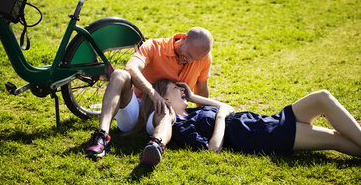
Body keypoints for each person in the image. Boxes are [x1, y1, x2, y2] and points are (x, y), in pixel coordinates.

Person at [85, 27, 214, 165]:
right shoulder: (154, 46)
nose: (189, 60)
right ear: (184, 37)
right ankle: (102, 136)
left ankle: (156, 146)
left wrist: (207, 121)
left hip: (163, 116)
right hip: (135, 111)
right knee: (119, 74)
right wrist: (153, 94)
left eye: (195, 59)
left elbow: (201, 89)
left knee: (166, 111)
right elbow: (131, 68)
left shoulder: (204, 58)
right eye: (188, 53)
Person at [148, 80, 361, 157]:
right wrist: (221, 118)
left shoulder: (193, 111)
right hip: (262, 135)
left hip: (264, 122)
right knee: (334, 138)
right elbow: (213, 149)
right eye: (175, 88)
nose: (181, 89)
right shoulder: (182, 126)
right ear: (164, 98)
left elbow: (226, 107)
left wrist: (194, 97)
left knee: (322, 97)